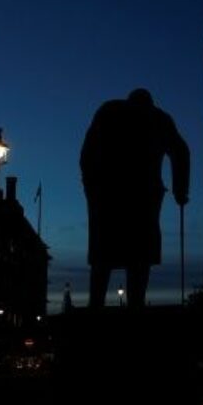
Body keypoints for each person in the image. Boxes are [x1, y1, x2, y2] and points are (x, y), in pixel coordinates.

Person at [81, 88, 190, 309]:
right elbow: (181, 152)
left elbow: (87, 153)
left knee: (106, 251)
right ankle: (134, 304)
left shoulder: (109, 110)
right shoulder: (159, 118)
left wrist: (91, 185)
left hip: (109, 193)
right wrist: (180, 190)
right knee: (139, 254)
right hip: (140, 194)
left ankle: (97, 305)